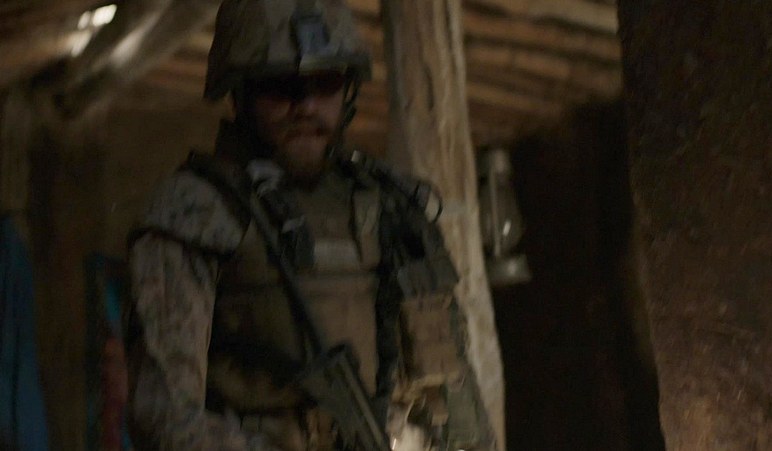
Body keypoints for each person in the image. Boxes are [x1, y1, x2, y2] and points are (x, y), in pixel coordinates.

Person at [124, 0, 495, 449]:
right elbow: (165, 418)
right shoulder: (198, 214)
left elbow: (453, 400)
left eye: (325, 82)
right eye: (281, 86)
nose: (307, 106)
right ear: (240, 93)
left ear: (348, 89)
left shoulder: (390, 208)